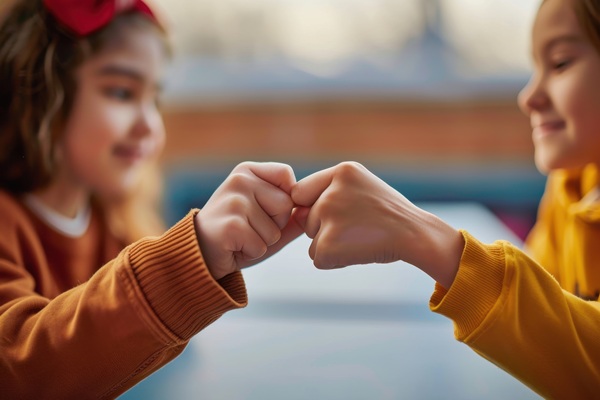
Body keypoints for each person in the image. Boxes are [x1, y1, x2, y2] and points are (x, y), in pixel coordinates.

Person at [290, 0, 600, 397]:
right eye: (535, 67)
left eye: (559, 63)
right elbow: (545, 313)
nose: (529, 96)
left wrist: (427, 238)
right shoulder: (572, 184)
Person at [0, 0, 303, 398]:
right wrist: (191, 256)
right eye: (122, 92)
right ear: (43, 94)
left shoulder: (114, 223)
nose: (150, 126)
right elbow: (19, 365)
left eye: (155, 99)